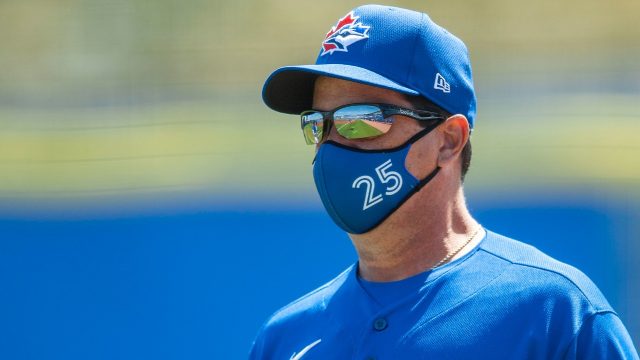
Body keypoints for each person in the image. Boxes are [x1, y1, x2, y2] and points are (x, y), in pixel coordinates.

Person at [250, 4, 639, 359]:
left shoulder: (555, 313)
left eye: (361, 119)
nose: (332, 146)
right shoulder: (285, 337)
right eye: (318, 124)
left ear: (449, 140)